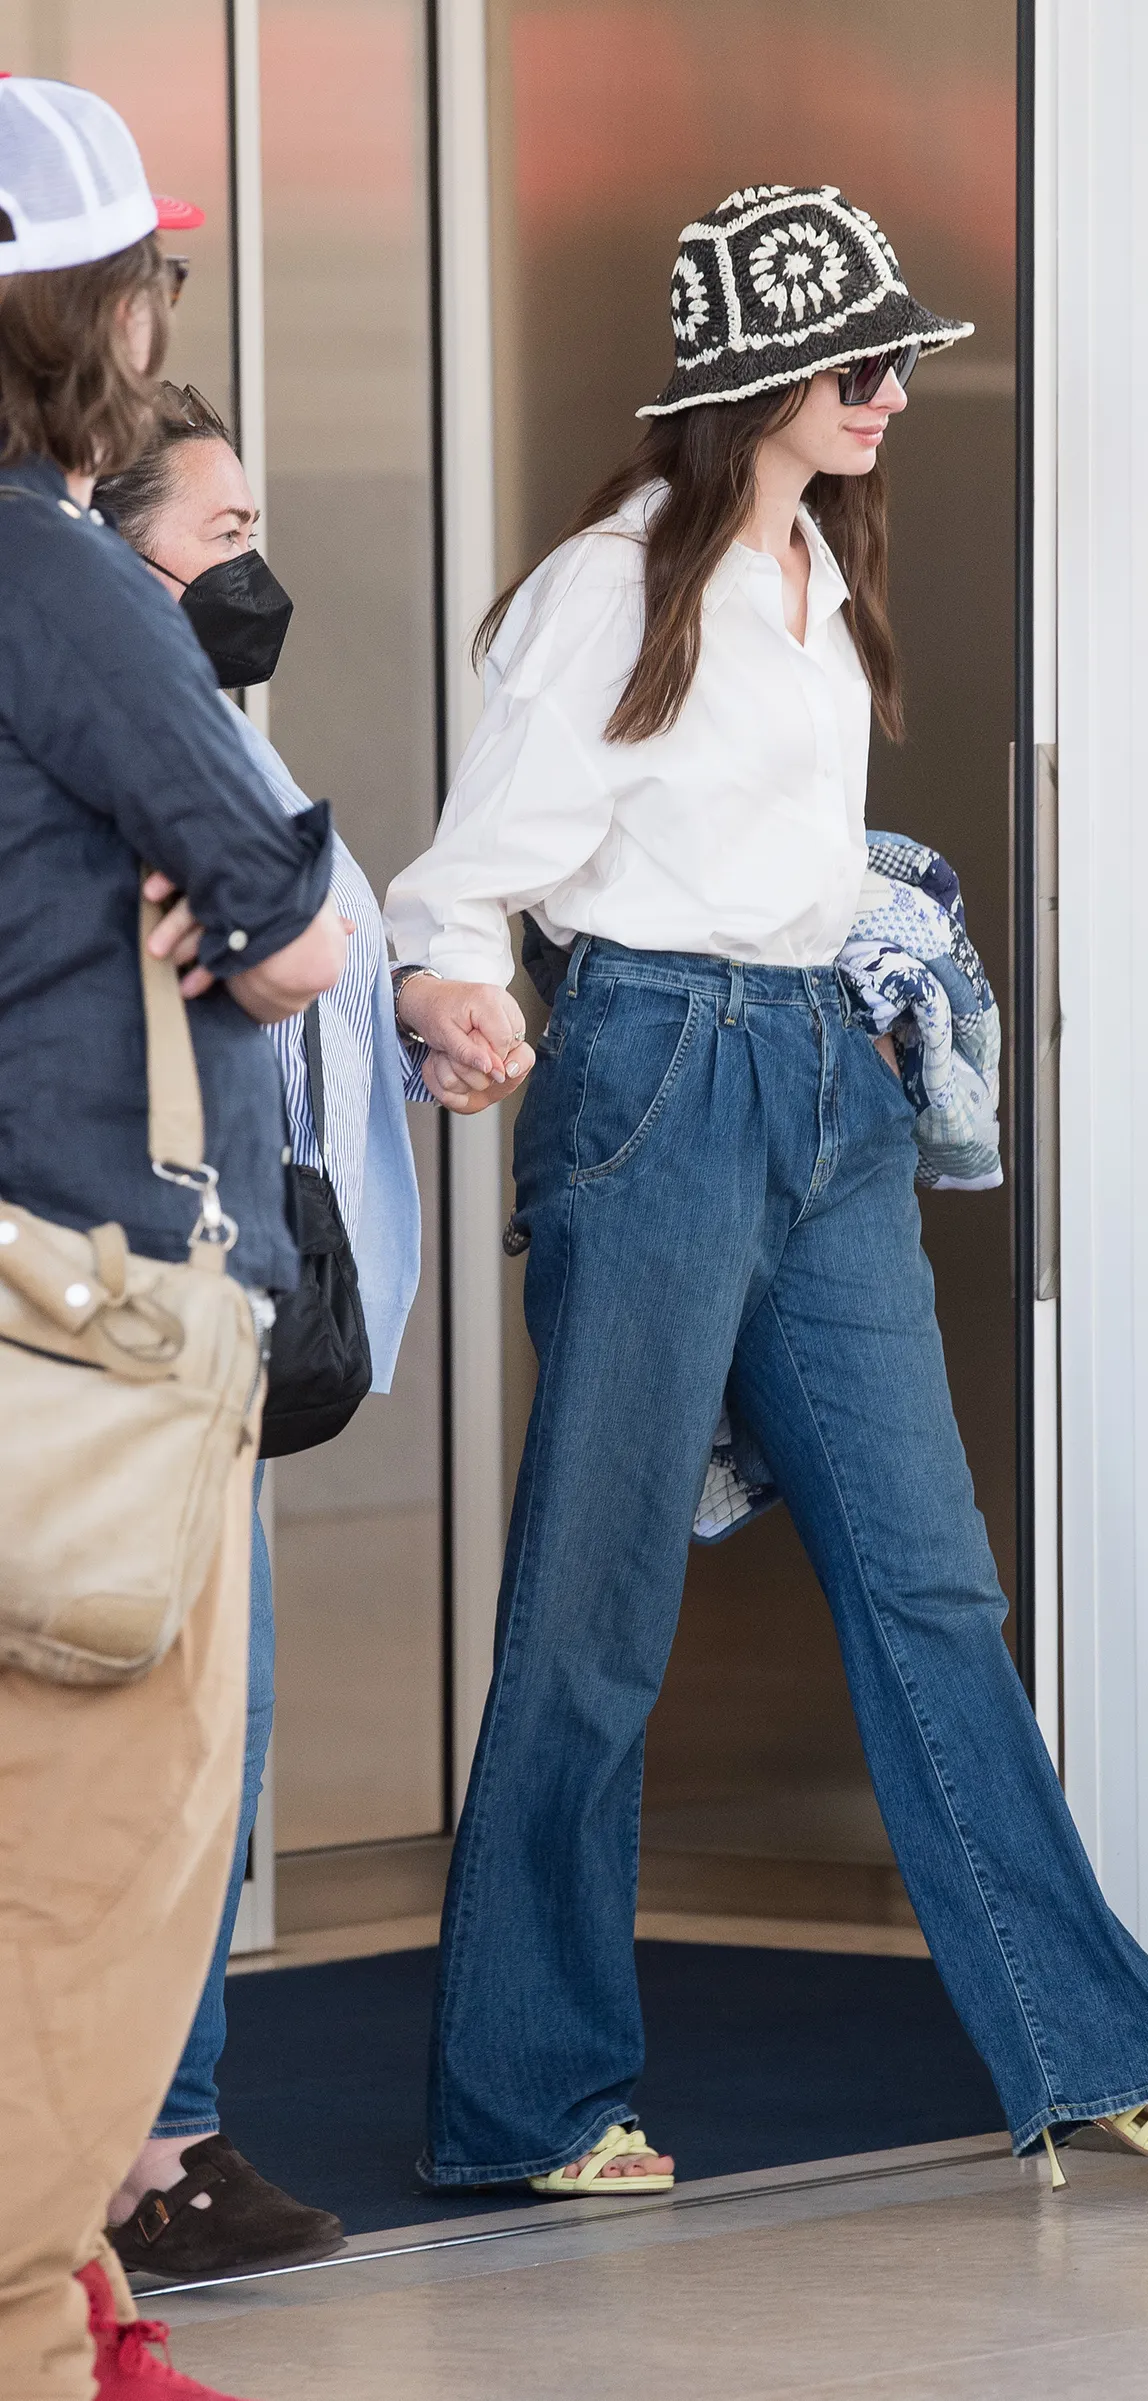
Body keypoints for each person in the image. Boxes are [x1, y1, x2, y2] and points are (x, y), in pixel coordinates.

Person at [386, 182, 1148, 2197]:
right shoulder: (613, 589)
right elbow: (468, 873)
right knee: (594, 1615)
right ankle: (526, 2099)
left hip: (822, 1084)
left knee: (929, 1582)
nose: (890, 390)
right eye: (857, 361)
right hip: (656, 1077)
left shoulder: (813, 566)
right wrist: (450, 990)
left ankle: (1084, 2046)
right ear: (748, 382)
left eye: (897, 357)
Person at [86, 389, 535, 2284]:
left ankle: (159, 2142)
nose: (253, 573)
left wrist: (428, 1016)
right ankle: (120, 2147)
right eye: (219, 533)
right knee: (156, 1734)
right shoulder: (97, 736)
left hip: (227, 1323)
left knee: (218, 1736)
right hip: (120, 1315)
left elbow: (324, 957)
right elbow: (272, 955)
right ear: (108, 557)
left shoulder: (217, 745)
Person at [0, 78, 348, 2401]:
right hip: (73, 1320)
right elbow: (300, 922)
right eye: (153, 277)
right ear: (87, 316)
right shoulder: (49, 575)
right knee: (84, 1882)